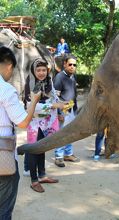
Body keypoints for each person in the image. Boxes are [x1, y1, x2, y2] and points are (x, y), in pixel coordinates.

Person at [0, 46, 41, 219]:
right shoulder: (6, 90)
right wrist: (33, 102)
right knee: (3, 208)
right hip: (3, 158)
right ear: (9, 66)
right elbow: (23, 122)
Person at [23, 58, 68, 193]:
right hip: (34, 123)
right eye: (38, 70)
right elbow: (31, 107)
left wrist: (61, 103)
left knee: (41, 148)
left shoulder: (49, 82)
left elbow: (54, 97)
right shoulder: (31, 84)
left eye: (44, 70)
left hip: (46, 122)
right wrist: (54, 105)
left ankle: (42, 176)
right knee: (33, 150)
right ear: (33, 71)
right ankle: (34, 180)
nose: (41, 73)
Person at [53, 54, 80, 167]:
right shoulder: (59, 77)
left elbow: (74, 94)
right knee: (62, 134)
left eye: (74, 65)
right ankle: (59, 156)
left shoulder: (72, 77)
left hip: (71, 109)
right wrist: (59, 113)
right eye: (70, 64)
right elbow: (55, 96)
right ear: (64, 64)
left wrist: (76, 110)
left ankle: (68, 154)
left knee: (70, 133)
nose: (72, 67)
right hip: (63, 111)